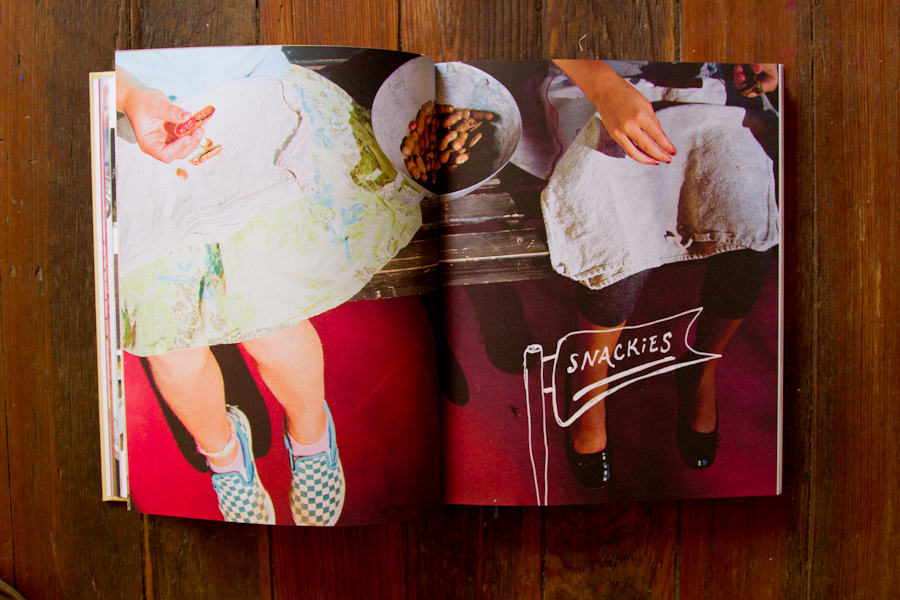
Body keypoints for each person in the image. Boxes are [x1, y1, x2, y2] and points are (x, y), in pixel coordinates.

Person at [115, 47, 420, 523]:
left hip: (247, 102)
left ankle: (312, 437)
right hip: (129, 135)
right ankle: (224, 456)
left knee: (272, 318)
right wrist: (128, 92)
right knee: (169, 348)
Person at [545, 61, 780, 487]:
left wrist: (766, 59)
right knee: (617, 233)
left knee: (749, 227)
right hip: (596, 83)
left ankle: (700, 368)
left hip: (707, 91)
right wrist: (605, 88)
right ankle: (589, 382)